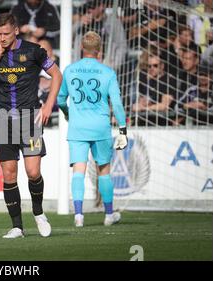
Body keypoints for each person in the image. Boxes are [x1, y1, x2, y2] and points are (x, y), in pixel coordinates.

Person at [0, 13, 62, 238]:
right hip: (4, 119)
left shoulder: (33, 50)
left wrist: (48, 105)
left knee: (33, 172)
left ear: (16, 31)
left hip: (29, 118)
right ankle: (17, 227)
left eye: (6, 34)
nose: (2, 38)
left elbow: (56, 75)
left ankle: (39, 212)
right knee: (9, 174)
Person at [57, 31, 128, 228]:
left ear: (82, 48)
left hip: (78, 127)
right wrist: (122, 129)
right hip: (100, 128)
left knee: (78, 171)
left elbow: (60, 99)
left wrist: (68, 113)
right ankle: (108, 214)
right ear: (99, 50)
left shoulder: (70, 70)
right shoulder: (108, 72)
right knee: (104, 170)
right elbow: (117, 103)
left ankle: (79, 215)